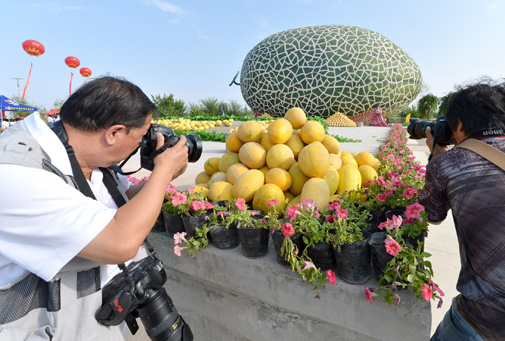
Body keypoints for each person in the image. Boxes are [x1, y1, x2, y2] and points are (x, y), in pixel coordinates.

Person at [0, 76, 189, 339]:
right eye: (140, 136)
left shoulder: (87, 156)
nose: (142, 143)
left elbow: (128, 199)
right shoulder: (15, 172)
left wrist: (161, 173)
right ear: (113, 133)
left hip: (92, 324)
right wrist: (164, 171)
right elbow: (119, 241)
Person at [420, 79, 505, 340]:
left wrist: (436, 155)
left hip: (483, 319)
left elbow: (431, 215)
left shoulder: (448, 163)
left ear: (458, 124)